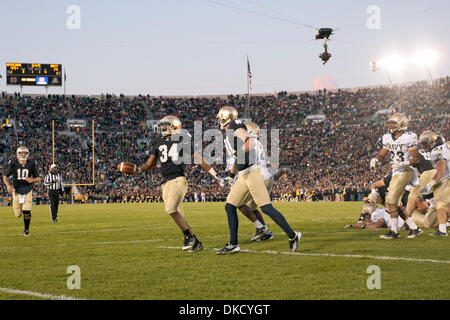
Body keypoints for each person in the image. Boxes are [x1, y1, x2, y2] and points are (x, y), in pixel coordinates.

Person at [123, 115, 218, 252]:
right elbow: (150, 164)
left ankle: (188, 237)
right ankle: (196, 242)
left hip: (178, 179)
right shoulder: (157, 141)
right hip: (166, 183)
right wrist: (137, 170)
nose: (163, 128)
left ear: (174, 127)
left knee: (171, 209)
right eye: (162, 125)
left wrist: (215, 174)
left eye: (166, 125)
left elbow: (198, 158)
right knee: (178, 213)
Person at [215, 106, 301, 254]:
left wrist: (242, 152)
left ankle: (293, 235)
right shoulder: (230, 131)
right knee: (230, 206)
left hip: (252, 173)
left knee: (266, 207)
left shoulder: (235, 127)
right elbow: (237, 157)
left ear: (225, 118)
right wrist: (230, 176)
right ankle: (233, 244)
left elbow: (250, 142)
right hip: (243, 175)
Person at [370, 113, 421, 239]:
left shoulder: (408, 137)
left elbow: (416, 158)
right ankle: (415, 228)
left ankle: (394, 231)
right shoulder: (387, 137)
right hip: (396, 172)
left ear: (401, 124)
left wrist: (403, 163)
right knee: (396, 204)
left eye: (393, 123)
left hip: (406, 170)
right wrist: (376, 159)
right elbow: (383, 154)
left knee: (390, 200)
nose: (390, 125)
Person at [2, 146, 42, 236]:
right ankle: (23, 222)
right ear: (18, 154)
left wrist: (32, 180)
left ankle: (26, 230)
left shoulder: (31, 163)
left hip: (27, 190)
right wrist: (8, 186)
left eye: (25, 153)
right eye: (21, 153)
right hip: (16, 191)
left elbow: (39, 178)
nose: (23, 154)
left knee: (26, 211)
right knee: (17, 214)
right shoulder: (13, 163)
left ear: (27, 154)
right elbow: (5, 176)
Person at [418, 131, 449, 236]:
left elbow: (441, 167)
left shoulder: (436, 151)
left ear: (431, 142)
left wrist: (430, 184)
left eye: (424, 143)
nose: (423, 146)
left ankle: (443, 230)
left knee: (440, 202)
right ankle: (443, 228)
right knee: (442, 203)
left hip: (448, 179)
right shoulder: (443, 146)